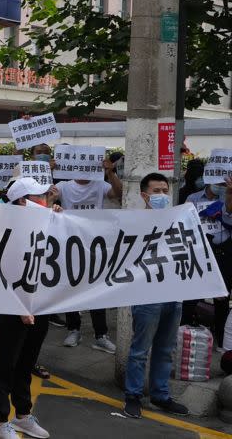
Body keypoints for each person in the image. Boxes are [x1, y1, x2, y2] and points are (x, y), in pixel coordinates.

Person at [0, 177, 61, 439]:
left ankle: (23, 415)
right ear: (22, 201)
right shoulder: (5, 227)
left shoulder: (48, 220)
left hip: (40, 304)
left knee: (27, 361)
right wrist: (18, 306)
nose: (45, 200)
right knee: (4, 363)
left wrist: (58, 217)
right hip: (12, 308)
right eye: (39, 197)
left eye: (45, 196)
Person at [122, 172, 190, 419]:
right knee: (140, 350)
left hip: (174, 292)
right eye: (157, 191)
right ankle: (133, 396)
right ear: (144, 195)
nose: (162, 195)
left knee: (165, 348)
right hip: (147, 295)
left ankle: (161, 395)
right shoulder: (133, 224)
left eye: (165, 191)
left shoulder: (179, 220)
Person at [53, 156, 122, 354]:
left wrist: (111, 172)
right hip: (70, 243)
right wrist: (46, 170)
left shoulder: (100, 185)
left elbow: (119, 193)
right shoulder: (64, 186)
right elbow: (43, 196)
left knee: (95, 288)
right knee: (72, 286)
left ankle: (101, 335)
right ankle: (73, 329)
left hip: (94, 243)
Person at [184, 175, 230, 345]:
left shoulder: (227, 197)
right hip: (200, 250)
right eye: (219, 183)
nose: (221, 186)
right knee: (192, 293)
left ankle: (220, 336)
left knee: (222, 296)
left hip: (223, 250)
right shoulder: (193, 198)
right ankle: (185, 329)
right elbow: (186, 221)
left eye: (223, 184)